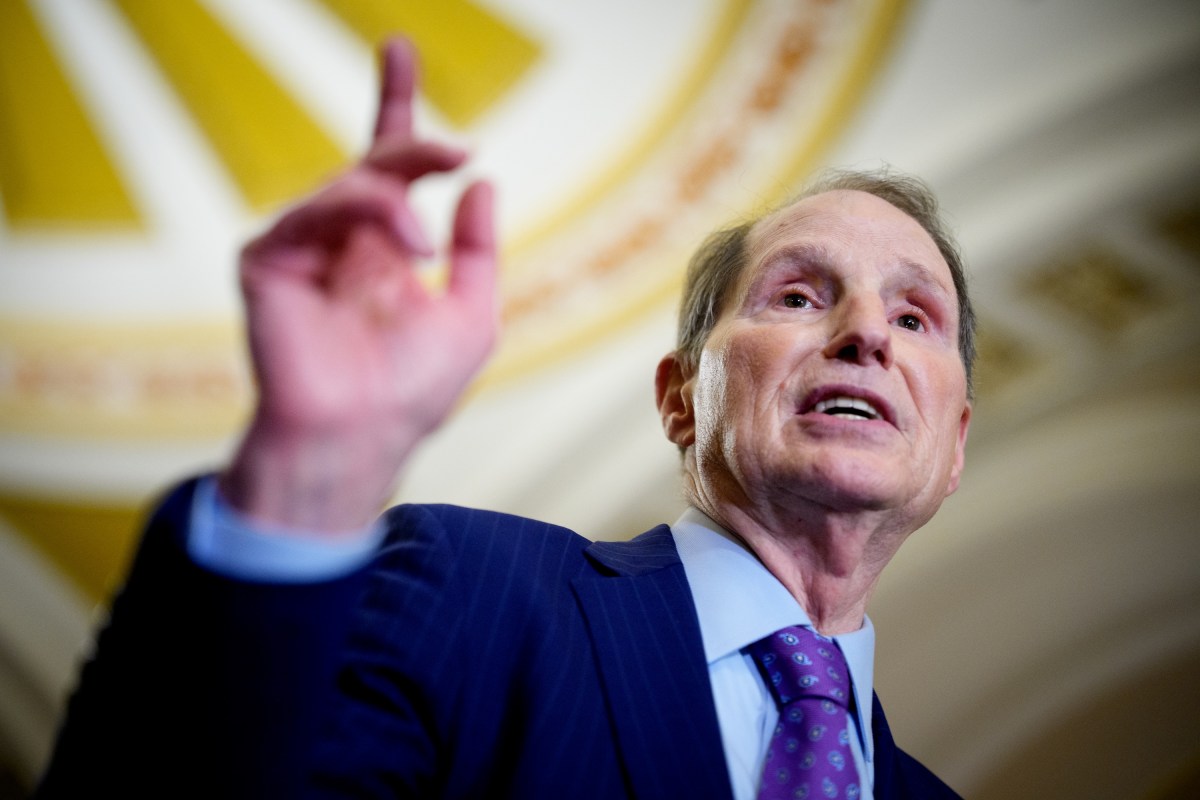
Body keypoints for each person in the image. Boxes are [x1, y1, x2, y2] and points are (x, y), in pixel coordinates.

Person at [36, 37, 971, 799]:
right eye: (801, 296)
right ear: (682, 399)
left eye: (913, 316)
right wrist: (305, 474)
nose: (866, 336)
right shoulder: (471, 592)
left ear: (955, 440)